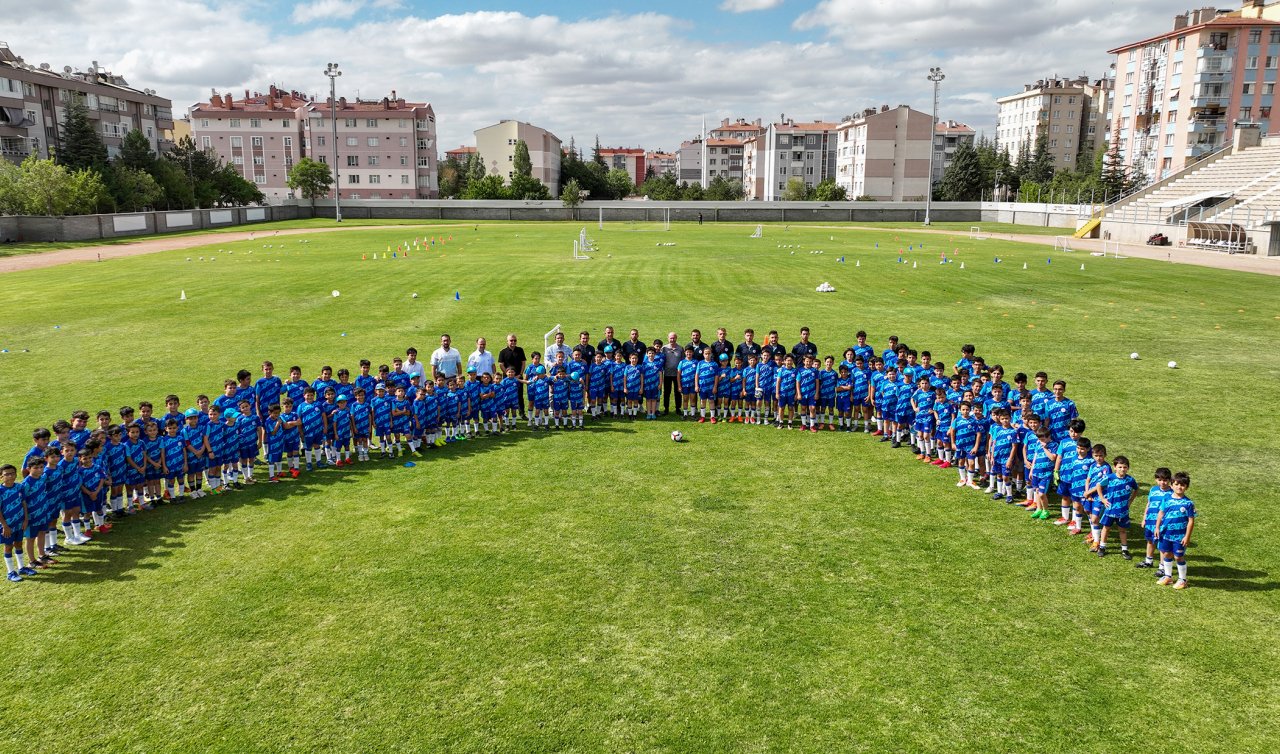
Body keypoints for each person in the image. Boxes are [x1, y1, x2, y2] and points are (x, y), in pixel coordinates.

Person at [1090, 454, 1138, 558]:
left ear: (1128, 468)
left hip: (1123, 511)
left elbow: (1136, 489)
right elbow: (1098, 486)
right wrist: (1102, 499)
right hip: (1110, 510)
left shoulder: (1130, 480)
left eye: (1125, 467)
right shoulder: (1109, 477)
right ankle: (1102, 547)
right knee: (1106, 528)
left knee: (1122, 530)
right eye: (1120, 467)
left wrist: (1130, 501)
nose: (1122, 469)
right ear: (1115, 467)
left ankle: (1125, 550)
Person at [1155, 471, 1195, 589]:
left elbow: (1191, 521)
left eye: (1182, 485)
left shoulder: (1188, 503)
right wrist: (1157, 527)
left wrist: (1187, 536)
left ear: (1186, 487)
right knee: (1166, 553)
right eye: (1176, 484)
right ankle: (1168, 576)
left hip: (1179, 536)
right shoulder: (1166, 498)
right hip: (1165, 533)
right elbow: (1161, 513)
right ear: (1171, 485)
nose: (1179, 487)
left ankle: (1183, 579)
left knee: (1178, 557)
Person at [1138, 467, 1173, 570]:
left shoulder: (1171, 493)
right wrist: (1144, 518)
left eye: (1165, 480)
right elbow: (1149, 504)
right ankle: (1148, 561)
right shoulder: (1153, 489)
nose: (1162, 482)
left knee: (1162, 545)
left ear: (1170, 480)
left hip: (1162, 524)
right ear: (1156, 479)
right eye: (1160, 480)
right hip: (1150, 521)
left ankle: (1162, 567)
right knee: (1150, 541)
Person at [498, 334, 528, 417]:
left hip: (518, 376)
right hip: (507, 378)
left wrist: (520, 374)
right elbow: (501, 364)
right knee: (506, 395)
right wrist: (509, 375)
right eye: (511, 340)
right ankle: (505, 414)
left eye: (515, 340)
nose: (513, 342)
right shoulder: (503, 352)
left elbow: (523, 363)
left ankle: (522, 413)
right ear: (507, 341)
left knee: (519, 395)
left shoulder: (520, 350)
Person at [661, 333, 683, 415]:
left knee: (678, 392)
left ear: (676, 338)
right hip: (667, 374)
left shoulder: (680, 348)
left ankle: (678, 408)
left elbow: (682, 361)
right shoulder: (664, 348)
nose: (672, 340)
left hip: (677, 374)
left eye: (674, 338)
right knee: (667, 392)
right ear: (668, 338)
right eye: (671, 338)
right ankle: (666, 409)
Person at [695, 348, 718, 423]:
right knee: (703, 401)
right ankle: (702, 416)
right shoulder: (700, 363)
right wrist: (696, 385)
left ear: (711, 354)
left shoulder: (714, 364)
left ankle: (712, 417)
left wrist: (715, 386)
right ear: (703, 354)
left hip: (711, 387)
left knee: (711, 401)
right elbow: (697, 375)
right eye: (706, 353)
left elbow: (716, 376)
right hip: (702, 387)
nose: (707, 355)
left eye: (709, 353)